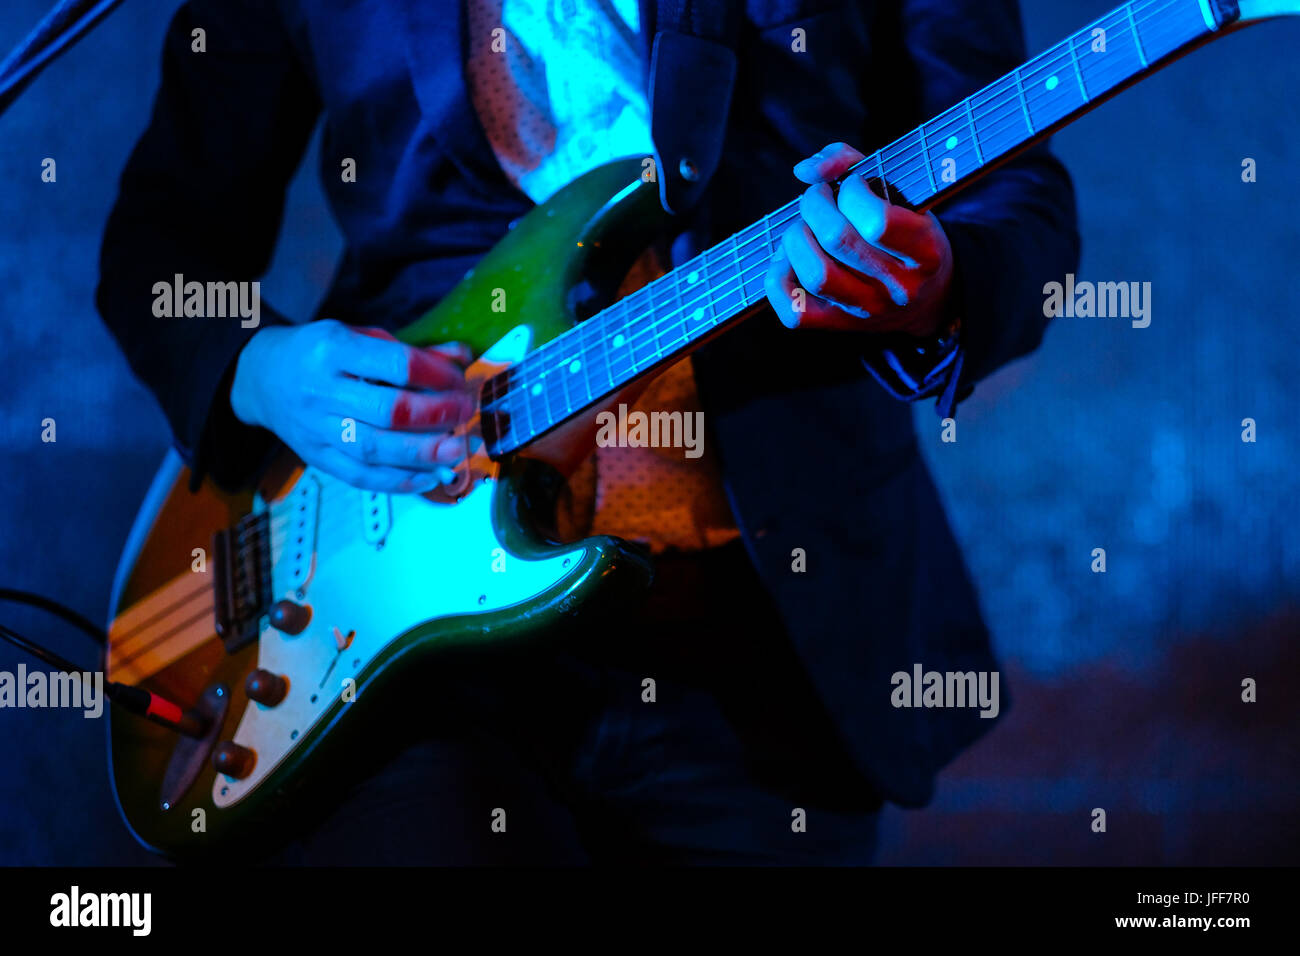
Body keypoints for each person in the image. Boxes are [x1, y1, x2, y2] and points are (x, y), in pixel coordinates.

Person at [96, 0, 1079, 864]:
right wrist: (259, 372)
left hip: (767, 639)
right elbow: (161, 243)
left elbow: (1020, 203)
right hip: (401, 634)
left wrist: (936, 280)